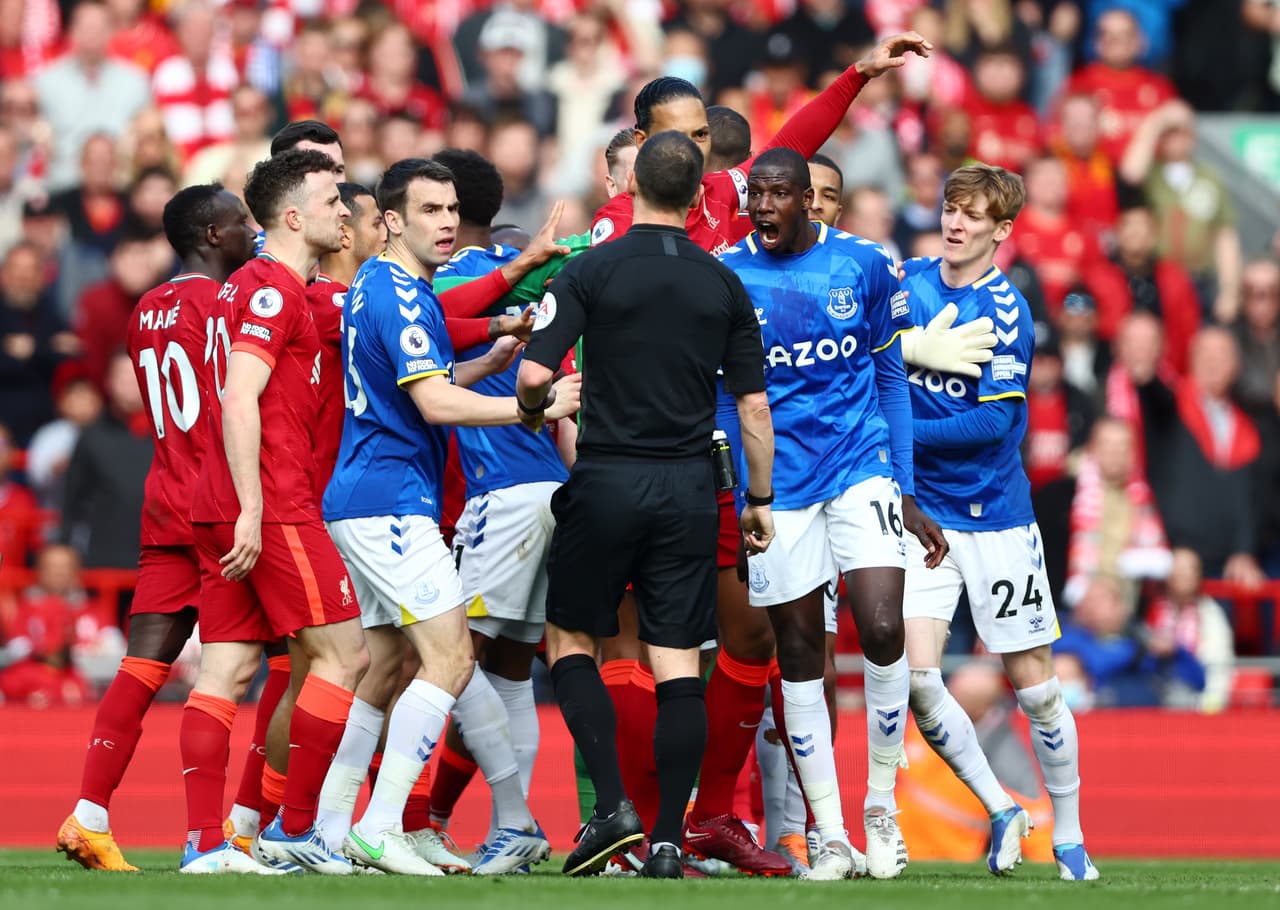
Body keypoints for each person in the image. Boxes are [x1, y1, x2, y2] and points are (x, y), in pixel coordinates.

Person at [517, 131, 775, 880]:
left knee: (571, 644)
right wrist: (757, 498)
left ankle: (613, 811)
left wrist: (538, 406)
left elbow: (536, 373)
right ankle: (667, 838)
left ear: (631, 191)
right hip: (691, 486)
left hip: (607, 475)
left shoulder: (590, 270)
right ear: (700, 196)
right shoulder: (725, 283)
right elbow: (753, 411)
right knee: (679, 666)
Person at [318, 158, 578, 876]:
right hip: (389, 500)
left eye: (451, 210)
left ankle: (333, 826)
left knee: (388, 666)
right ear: (393, 220)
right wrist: (534, 406)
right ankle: (383, 825)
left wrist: (491, 350)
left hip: (369, 497)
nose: (445, 222)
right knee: (454, 659)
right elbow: (433, 406)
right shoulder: (401, 296)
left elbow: (423, 386)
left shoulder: (385, 284)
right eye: (428, 210)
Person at [723, 147, 944, 881]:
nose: (762, 207)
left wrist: (905, 489)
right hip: (778, 486)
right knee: (800, 658)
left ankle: (880, 804)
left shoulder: (867, 265)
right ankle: (828, 830)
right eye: (755, 194)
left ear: (807, 203)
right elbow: (726, 396)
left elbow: (889, 376)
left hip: (860, 466)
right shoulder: (730, 273)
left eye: (777, 194)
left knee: (882, 625)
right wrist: (743, 488)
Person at [897, 163, 1099, 881]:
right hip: (924, 520)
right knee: (915, 679)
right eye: (951, 208)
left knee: (1036, 688)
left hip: (995, 517)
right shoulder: (906, 284)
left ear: (1001, 230)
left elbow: (995, 422)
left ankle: (1069, 834)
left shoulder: (1007, 309)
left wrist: (898, 431)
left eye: (973, 214)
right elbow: (861, 351)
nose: (955, 223)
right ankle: (1001, 807)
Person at [55, 183, 257, 872]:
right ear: (208, 234)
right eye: (239, 223)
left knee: (143, 664)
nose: (251, 232)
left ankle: (89, 812)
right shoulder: (222, 304)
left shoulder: (147, 308)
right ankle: (214, 836)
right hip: (219, 500)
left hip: (165, 489)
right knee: (242, 666)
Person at [181, 149, 366, 875]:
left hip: (222, 500)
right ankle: (297, 830)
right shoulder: (270, 292)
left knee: (227, 671)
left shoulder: (262, 289)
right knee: (343, 655)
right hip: (272, 501)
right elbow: (238, 396)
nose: (344, 210)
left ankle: (205, 844)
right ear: (292, 216)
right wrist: (256, 508)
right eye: (330, 200)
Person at [408, 149, 583, 862]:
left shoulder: (439, 284)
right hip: (550, 492)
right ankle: (512, 827)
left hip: (505, 497)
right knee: (511, 668)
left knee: (455, 658)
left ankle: (497, 820)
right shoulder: (536, 284)